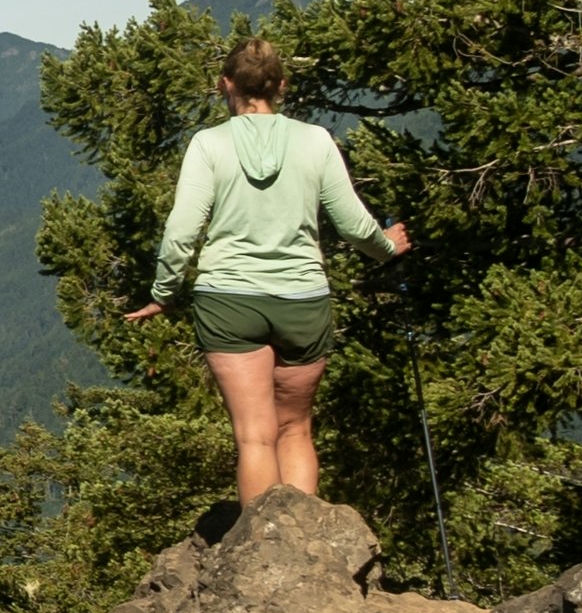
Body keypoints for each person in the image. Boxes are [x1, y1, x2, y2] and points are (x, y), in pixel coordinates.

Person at [125, 31, 406, 509]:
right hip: (303, 303)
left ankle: (262, 545)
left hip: (228, 303)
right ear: (282, 85)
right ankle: (303, 543)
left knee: (254, 436)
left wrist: (164, 293)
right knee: (294, 428)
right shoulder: (315, 141)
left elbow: (181, 231)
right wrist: (387, 249)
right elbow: (354, 225)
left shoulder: (209, 145)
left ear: (225, 84)